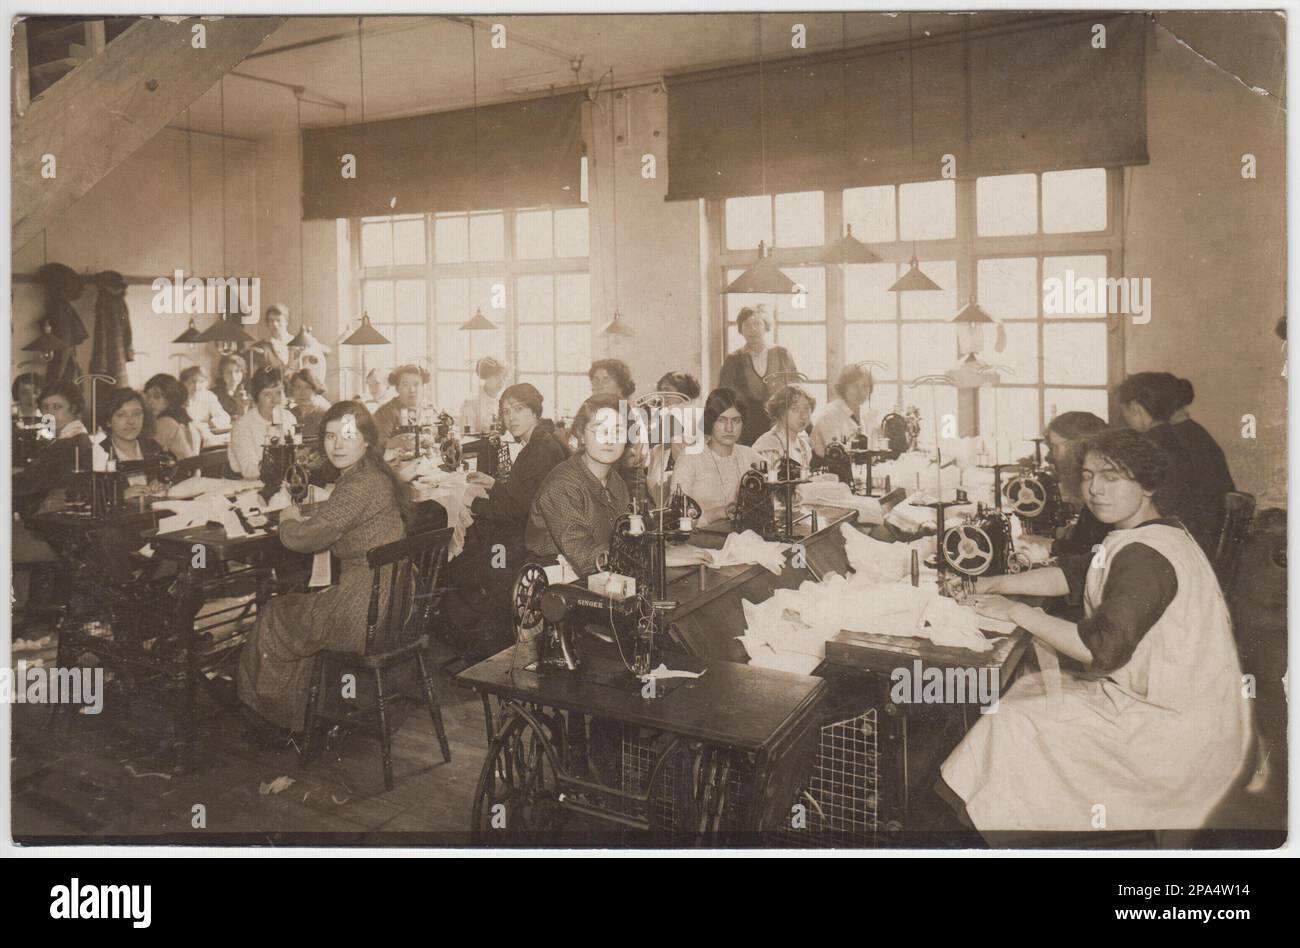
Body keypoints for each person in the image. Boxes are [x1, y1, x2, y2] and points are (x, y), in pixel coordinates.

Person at [940, 429, 1251, 837]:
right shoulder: (1149, 532)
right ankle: (1006, 823)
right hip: (1172, 704)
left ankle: (1005, 833)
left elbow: (1099, 649)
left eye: (1111, 477)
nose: (1095, 490)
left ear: (1148, 485)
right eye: (1088, 476)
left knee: (1014, 721)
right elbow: (1071, 574)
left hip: (1177, 736)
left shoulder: (1145, 555)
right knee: (1023, 696)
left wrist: (1015, 612)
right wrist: (988, 584)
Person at [237, 401, 409, 742]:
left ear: (367, 441)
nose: (337, 445)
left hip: (362, 613)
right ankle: (296, 712)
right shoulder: (373, 476)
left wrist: (287, 516)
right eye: (330, 436)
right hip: (392, 604)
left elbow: (305, 538)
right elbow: (344, 513)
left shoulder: (359, 485)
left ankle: (272, 721)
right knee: (303, 608)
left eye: (347, 436)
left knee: (276, 612)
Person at [527, 394, 711, 578]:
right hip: (557, 584)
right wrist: (656, 556)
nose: (610, 440)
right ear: (581, 435)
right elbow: (586, 556)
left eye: (618, 431)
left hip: (604, 578)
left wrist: (663, 547)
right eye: (600, 430)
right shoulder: (562, 485)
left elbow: (627, 538)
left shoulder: (616, 482)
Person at [445, 384, 568, 656]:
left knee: (454, 571)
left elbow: (514, 510)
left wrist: (472, 502)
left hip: (522, 546)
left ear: (534, 411)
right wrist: (493, 484)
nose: (510, 417)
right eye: (505, 411)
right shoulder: (542, 442)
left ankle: (486, 650)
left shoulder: (538, 450)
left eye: (519, 409)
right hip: (528, 537)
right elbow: (522, 496)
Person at [1118, 371, 1235, 556]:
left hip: (1181, 543)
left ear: (1134, 407)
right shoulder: (1182, 436)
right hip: (1201, 537)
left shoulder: (1150, 447)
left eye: (1123, 410)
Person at [1016, 411, 1111, 560]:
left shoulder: (1101, 494)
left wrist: (1053, 545)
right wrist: (1076, 531)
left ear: (1078, 447)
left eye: (1055, 447)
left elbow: (1097, 555)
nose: (1049, 457)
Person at [670, 388, 761, 526]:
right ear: (710, 421)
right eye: (721, 420)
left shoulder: (747, 455)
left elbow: (777, 474)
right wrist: (716, 513)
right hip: (697, 541)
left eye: (736, 420)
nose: (729, 428)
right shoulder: (690, 458)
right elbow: (675, 517)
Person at [718, 305, 799, 446]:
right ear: (740, 330)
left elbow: (796, 391)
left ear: (766, 326)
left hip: (781, 426)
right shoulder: (733, 360)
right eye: (747, 324)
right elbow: (724, 397)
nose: (752, 329)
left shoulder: (782, 354)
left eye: (757, 323)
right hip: (747, 429)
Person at [13, 381, 93, 516]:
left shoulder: (71, 442)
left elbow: (29, 483)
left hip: (55, 515)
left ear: (73, 408)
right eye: (45, 407)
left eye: (57, 407)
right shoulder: (71, 437)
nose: (49, 414)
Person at [93, 387, 164, 498]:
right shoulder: (98, 453)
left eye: (136, 414)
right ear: (107, 421)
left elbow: (171, 475)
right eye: (121, 415)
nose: (131, 421)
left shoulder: (153, 447)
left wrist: (163, 483)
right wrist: (121, 496)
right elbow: (90, 497)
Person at [645, 371, 702, 499]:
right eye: (661, 390)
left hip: (678, 469)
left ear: (682, 391)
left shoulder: (678, 412)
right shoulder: (694, 408)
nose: (663, 394)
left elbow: (653, 438)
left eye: (667, 390)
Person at [228, 367, 292, 479]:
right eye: (267, 395)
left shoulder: (289, 418)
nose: (275, 400)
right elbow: (249, 471)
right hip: (254, 486)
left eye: (278, 393)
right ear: (256, 397)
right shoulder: (243, 426)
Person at [811, 363, 874, 459]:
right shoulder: (830, 415)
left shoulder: (865, 414)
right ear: (843, 388)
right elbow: (835, 455)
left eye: (865, 386)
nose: (860, 391)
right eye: (854, 386)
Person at [752, 385, 815, 471]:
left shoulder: (804, 446)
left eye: (807, 408)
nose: (803, 416)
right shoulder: (766, 446)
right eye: (795, 409)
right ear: (781, 412)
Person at [143, 373, 202, 460]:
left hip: (179, 472)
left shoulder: (165, 423)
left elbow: (144, 456)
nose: (150, 401)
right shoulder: (186, 421)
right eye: (147, 396)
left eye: (157, 396)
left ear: (171, 398)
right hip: (192, 472)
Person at [372, 364, 429, 451]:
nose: (412, 390)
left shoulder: (430, 410)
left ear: (423, 387)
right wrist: (399, 442)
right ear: (397, 388)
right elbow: (375, 446)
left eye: (416, 384)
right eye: (405, 385)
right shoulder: (386, 412)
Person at [180, 365, 232, 445]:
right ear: (184, 383)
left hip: (204, 438)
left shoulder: (208, 396)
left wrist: (213, 422)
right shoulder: (178, 399)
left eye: (201, 382)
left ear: (207, 382)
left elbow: (225, 417)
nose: (196, 386)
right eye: (192, 382)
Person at [459, 356, 508, 432]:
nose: (502, 382)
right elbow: (467, 437)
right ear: (486, 377)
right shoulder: (471, 402)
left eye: (504, 378)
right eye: (497, 377)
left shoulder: (503, 402)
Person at [249, 303, 294, 374]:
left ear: (287, 321)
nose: (275, 324)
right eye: (271, 320)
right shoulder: (261, 347)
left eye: (278, 320)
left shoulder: (297, 342)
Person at [288, 368, 331, 440]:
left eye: (307, 387)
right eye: (298, 387)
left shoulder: (325, 415)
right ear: (292, 390)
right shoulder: (289, 415)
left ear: (315, 390)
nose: (302, 392)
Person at [214, 354, 250, 420]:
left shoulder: (246, 395)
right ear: (222, 374)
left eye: (237, 371)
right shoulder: (213, 395)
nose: (233, 376)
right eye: (229, 372)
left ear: (243, 373)